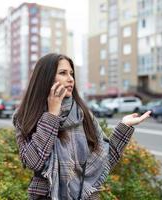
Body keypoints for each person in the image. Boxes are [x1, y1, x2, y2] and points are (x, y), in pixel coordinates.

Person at [13, 53, 151, 200]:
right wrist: (52, 114)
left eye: (71, 73)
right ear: (45, 77)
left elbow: (105, 159)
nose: (70, 79)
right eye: (63, 73)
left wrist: (124, 126)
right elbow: (33, 161)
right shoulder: (25, 116)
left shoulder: (82, 114)